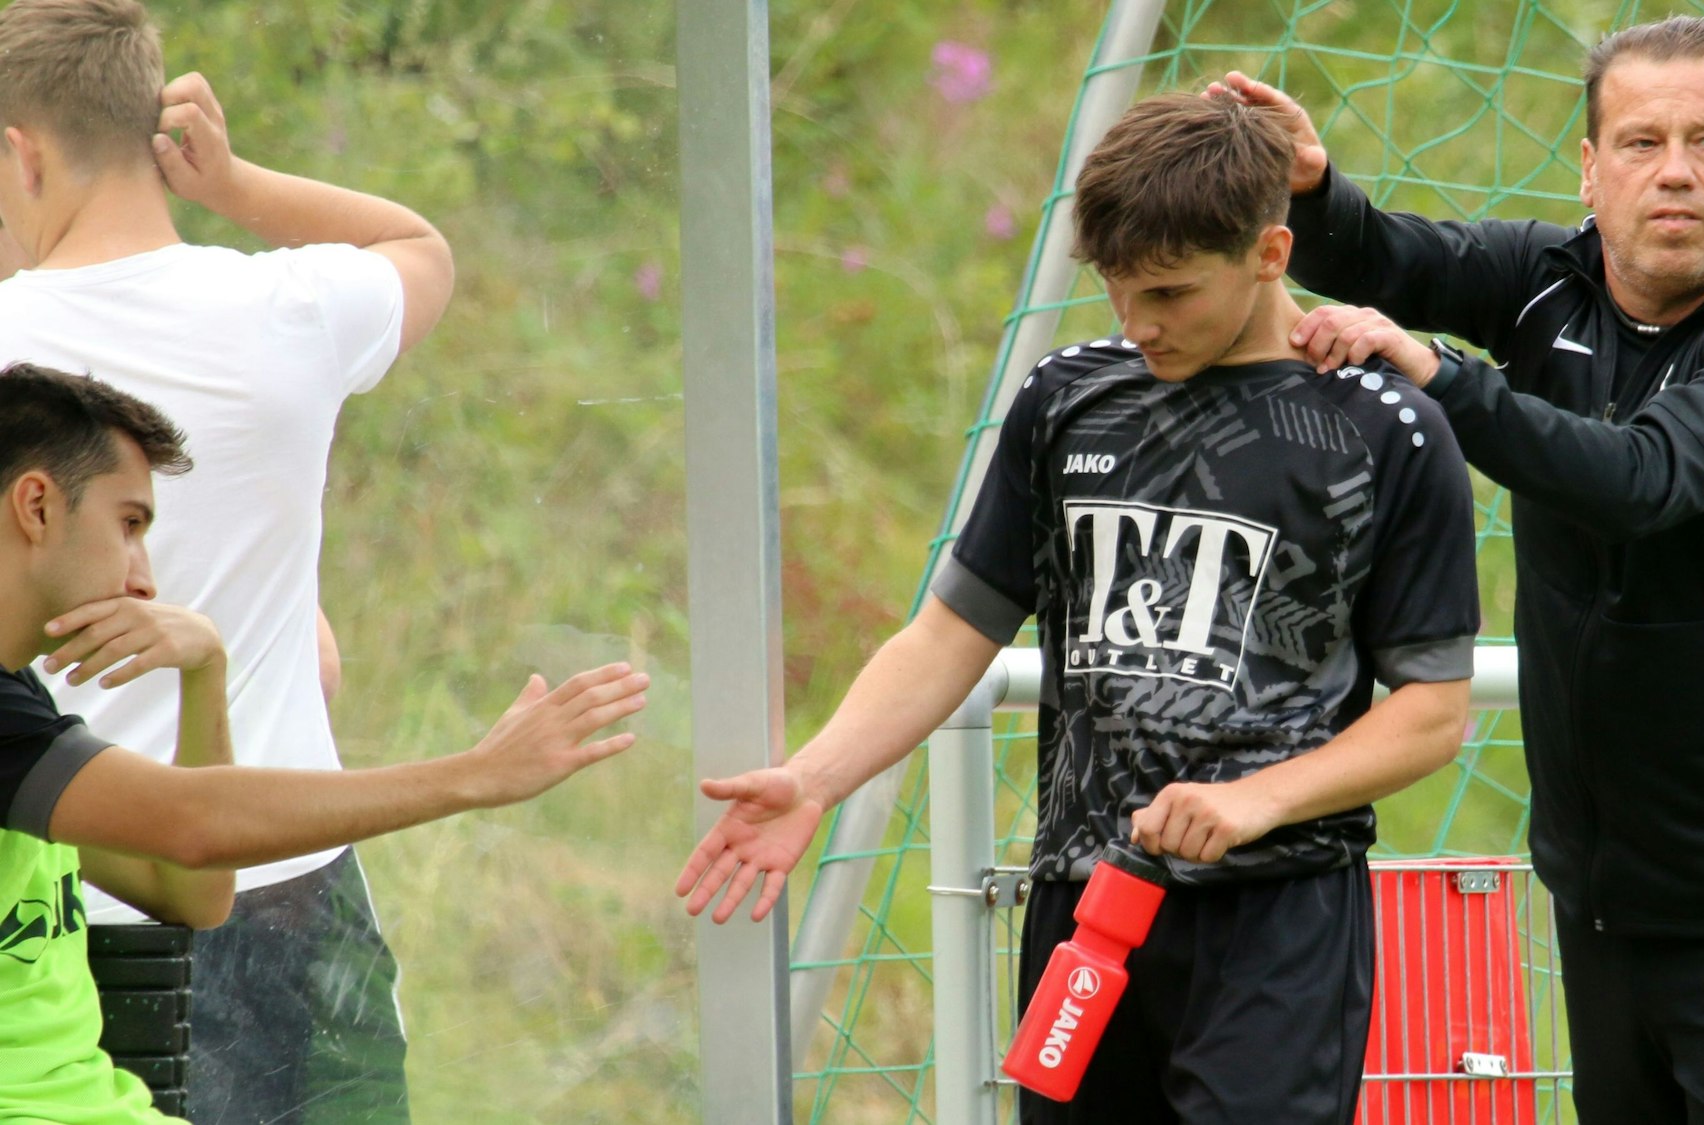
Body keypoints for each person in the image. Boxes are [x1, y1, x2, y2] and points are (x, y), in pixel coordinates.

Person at [676, 93, 1480, 1121]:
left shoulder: (1385, 430)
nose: (1137, 323)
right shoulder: (1064, 398)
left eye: (1171, 292)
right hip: (1084, 912)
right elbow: (950, 632)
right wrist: (812, 781)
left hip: (1277, 920)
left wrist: (1253, 801)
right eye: (1113, 289)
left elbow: (1429, 713)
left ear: (1271, 251)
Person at [1219, 13, 1704, 1123]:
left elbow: (1637, 480)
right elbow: (1398, 256)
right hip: (1604, 909)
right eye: (1640, 143)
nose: (1674, 172)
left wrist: (1443, 377)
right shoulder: (1550, 279)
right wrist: (1312, 190)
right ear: (1589, 169)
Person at [0, 0, 453, 1119]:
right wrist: (237, 186)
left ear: (20, 153)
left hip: (70, 896)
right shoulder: (293, 308)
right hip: (293, 883)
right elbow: (420, 251)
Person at [0, 362, 648, 1125]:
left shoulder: (23, 702)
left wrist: (207, 670)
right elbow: (193, 824)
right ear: (37, 505)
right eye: (130, 525)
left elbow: (196, 892)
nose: (143, 579)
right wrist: (476, 775)